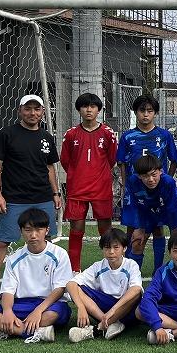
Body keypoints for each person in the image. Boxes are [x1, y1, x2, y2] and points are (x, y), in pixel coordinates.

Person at [0, 94, 61, 297]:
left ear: (43, 112)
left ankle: (48, 281)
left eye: (37, 109)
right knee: (2, 241)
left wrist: (55, 192)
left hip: (43, 197)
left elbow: (49, 167)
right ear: (20, 111)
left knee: (46, 240)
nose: (32, 113)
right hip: (14, 198)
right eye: (28, 109)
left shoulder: (46, 137)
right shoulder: (6, 134)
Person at [0, 207, 72, 343]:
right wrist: (7, 311)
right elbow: (8, 291)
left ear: (47, 230)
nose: (33, 235)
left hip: (48, 304)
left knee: (56, 312)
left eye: (38, 230)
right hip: (21, 305)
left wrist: (38, 311)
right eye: (28, 230)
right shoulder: (14, 258)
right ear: (21, 231)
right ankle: (37, 332)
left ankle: (6, 329)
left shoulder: (59, 254)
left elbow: (60, 289)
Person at [116, 94, 177, 269]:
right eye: (141, 110)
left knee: (158, 228)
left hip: (157, 191)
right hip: (135, 190)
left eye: (149, 111)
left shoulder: (164, 135)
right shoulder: (128, 136)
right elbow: (121, 162)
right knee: (132, 228)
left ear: (155, 113)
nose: (145, 114)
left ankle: (158, 269)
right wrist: (125, 185)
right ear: (135, 112)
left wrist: (167, 180)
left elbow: (174, 160)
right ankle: (128, 267)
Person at [60, 92, 118, 272]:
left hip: (101, 187)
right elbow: (65, 161)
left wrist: (98, 173)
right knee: (76, 228)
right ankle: (74, 269)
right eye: (85, 106)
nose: (89, 110)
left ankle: (109, 267)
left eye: (93, 106)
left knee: (105, 228)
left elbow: (112, 159)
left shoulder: (108, 133)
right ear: (79, 110)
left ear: (98, 110)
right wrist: (78, 174)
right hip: (77, 188)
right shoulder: (71, 134)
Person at [65, 227, 143, 343]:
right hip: (104, 311)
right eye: (107, 247)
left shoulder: (131, 265)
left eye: (116, 247)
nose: (111, 252)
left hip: (127, 311)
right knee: (77, 289)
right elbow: (70, 284)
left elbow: (136, 289)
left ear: (125, 248)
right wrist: (80, 307)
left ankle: (97, 329)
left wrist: (113, 311)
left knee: (136, 294)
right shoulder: (98, 266)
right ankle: (111, 324)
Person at [120, 154, 177, 271]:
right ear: (139, 176)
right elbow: (133, 206)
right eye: (145, 176)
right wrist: (139, 227)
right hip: (146, 208)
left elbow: (173, 209)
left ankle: (159, 272)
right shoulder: (133, 181)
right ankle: (133, 275)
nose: (150, 179)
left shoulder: (168, 182)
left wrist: (175, 230)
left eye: (154, 175)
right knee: (137, 242)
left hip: (170, 208)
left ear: (161, 171)